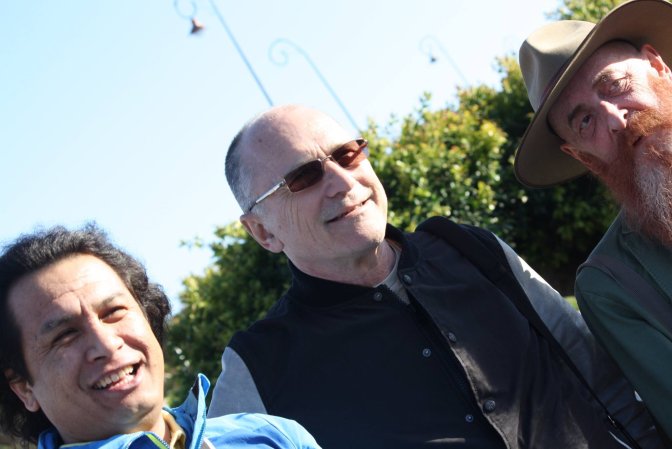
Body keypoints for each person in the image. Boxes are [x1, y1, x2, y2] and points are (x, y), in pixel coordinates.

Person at [207, 103, 663, 448]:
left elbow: (599, 374)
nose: (343, 182)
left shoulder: (471, 249)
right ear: (262, 231)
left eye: (347, 154)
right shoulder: (257, 367)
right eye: (304, 178)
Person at [0, 224, 321, 449]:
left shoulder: (273, 437)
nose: (106, 343)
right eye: (66, 335)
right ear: (23, 387)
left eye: (114, 312)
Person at [516, 0, 672, 439]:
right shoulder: (611, 284)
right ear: (582, 156)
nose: (615, 120)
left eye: (616, 85)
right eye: (585, 120)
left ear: (657, 66)